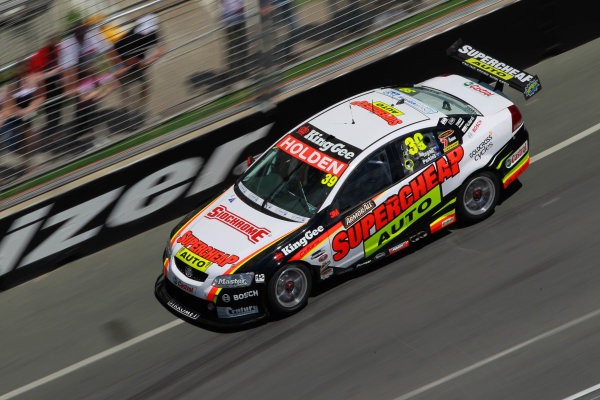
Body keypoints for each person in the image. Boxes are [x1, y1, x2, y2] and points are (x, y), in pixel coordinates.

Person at [114, 13, 166, 117]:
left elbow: (162, 47)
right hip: (120, 60)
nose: (144, 34)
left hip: (136, 59)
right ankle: (127, 110)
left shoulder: (153, 33)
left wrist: (158, 53)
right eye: (143, 31)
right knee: (127, 85)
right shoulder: (130, 39)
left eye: (148, 31)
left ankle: (138, 109)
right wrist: (148, 60)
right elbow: (133, 62)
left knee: (145, 85)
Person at [0, 62, 47, 155]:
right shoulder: (13, 84)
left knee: (22, 134)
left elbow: (40, 97)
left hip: (21, 115)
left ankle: (19, 156)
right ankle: (14, 154)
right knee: (13, 132)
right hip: (13, 115)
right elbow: (9, 105)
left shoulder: (32, 81)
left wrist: (28, 109)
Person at [28, 34, 64, 148]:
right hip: (44, 86)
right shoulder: (42, 54)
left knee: (57, 108)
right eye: (54, 42)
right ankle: (50, 136)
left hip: (54, 84)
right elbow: (38, 73)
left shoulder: (57, 50)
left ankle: (53, 133)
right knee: (51, 110)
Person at [221, 0, 251, 79]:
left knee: (241, 46)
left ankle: (243, 72)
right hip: (231, 20)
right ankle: (235, 74)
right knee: (235, 47)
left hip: (238, 17)